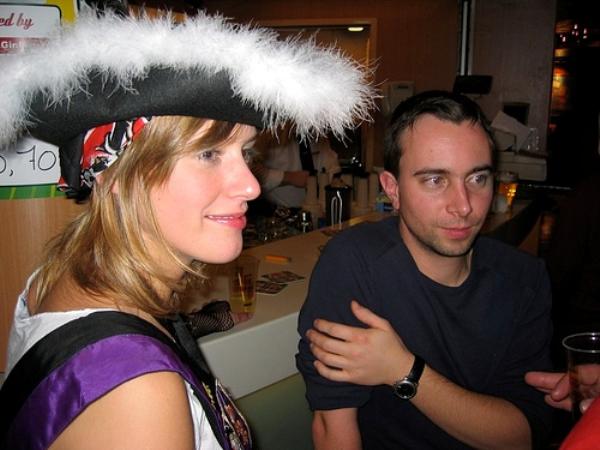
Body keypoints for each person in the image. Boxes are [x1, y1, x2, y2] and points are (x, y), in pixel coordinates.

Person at [0, 7, 374, 450]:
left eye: (245, 154)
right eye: (209, 154)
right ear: (117, 174)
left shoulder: (63, 282)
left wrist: (201, 322)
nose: (252, 186)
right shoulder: (138, 395)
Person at [296, 90, 554, 449]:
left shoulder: (524, 279)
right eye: (435, 180)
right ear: (393, 189)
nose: (463, 206)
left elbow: (522, 437)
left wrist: (403, 370)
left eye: (477, 178)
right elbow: (332, 427)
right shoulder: (355, 264)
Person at [253, 129, 341, 209]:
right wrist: (287, 177)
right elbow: (252, 170)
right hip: (278, 213)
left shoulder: (316, 131)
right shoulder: (268, 131)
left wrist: (333, 176)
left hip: (317, 209)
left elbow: (330, 162)